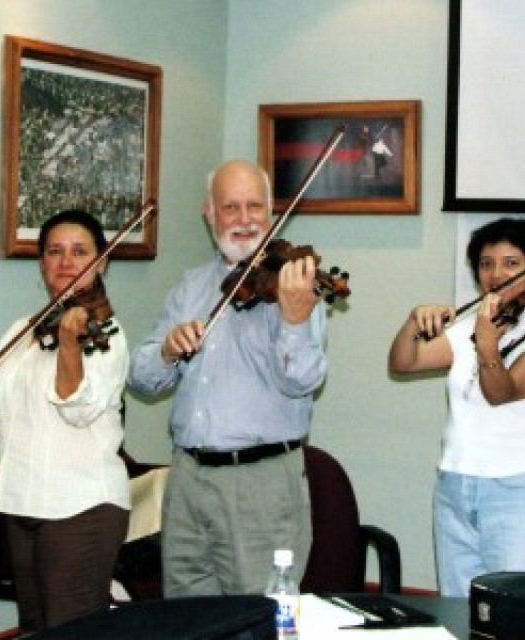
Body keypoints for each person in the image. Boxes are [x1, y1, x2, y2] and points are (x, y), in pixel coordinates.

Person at [127, 158, 327, 596]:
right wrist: (165, 349)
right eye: (230, 207)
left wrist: (293, 322)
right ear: (209, 214)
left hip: (261, 483)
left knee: (260, 618)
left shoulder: (294, 286)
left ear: (271, 212)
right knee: (189, 618)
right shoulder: (191, 287)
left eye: (254, 207)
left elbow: (304, 382)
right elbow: (140, 378)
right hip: (187, 479)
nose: (243, 220)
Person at [0, 210, 129, 633]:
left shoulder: (109, 334)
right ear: (41, 263)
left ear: (101, 261)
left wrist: (69, 348)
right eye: (55, 252)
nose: (66, 262)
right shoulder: (23, 330)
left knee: (70, 630)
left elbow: (78, 407)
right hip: (21, 504)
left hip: (81, 507)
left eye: (80, 251)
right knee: (33, 628)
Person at [387, 217, 525, 597]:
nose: (496, 273)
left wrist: (486, 345)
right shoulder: (467, 328)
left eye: (511, 263)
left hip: (520, 493)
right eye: (486, 263)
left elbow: (500, 392)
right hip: (455, 485)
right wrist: (411, 323)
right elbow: (403, 363)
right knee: (459, 608)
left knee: (519, 614)